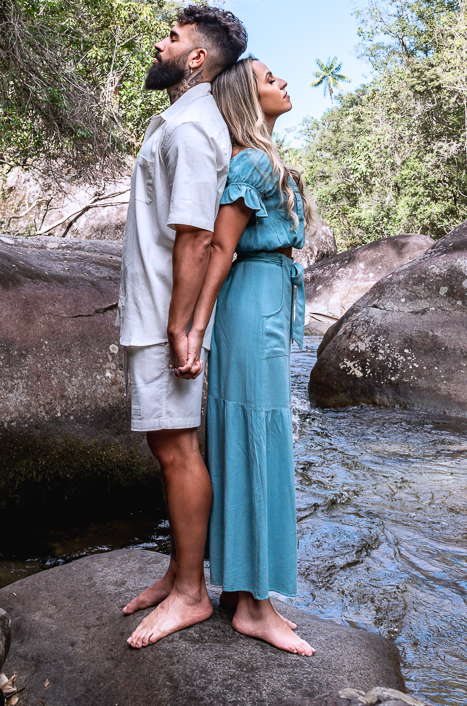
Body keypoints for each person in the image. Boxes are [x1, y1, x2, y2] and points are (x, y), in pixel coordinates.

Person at [177, 55, 317, 656]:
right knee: (257, 440)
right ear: (245, 98)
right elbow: (219, 248)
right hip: (248, 303)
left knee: (249, 437)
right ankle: (255, 606)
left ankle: (240, 588)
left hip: (262, 300)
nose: (282, 82)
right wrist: (194, 328)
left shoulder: (266, 162)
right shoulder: (254, 162)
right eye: (269, 78)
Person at [118, 2, 248, 648]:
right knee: (165, 448)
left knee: (177, 452)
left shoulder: (195, 130)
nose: (159, 44)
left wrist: (180, 329)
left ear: (196, 58)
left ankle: (192, 595)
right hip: (149, 314)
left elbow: (196, 237)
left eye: (171, 38)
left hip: (162, 321)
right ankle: (178, 573)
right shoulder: (180, 120)